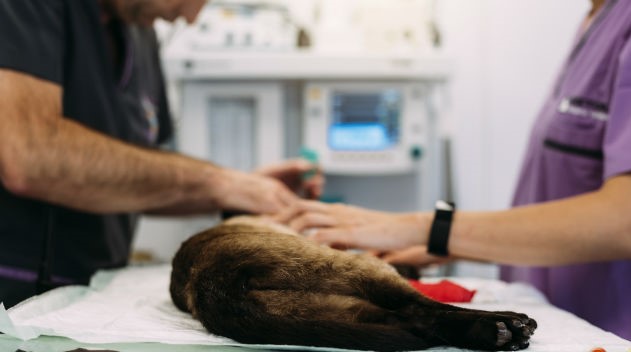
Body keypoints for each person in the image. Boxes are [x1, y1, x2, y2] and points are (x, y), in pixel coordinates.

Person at [277, 0, 631, 340]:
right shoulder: (597, 18)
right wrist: (451, 244)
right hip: (553, 313)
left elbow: (623, 221)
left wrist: (428, 227)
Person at [0, 0, 322, 308]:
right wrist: (218, 183)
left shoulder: (140, 32)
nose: (191, 16)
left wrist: (240, 191)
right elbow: (30, 156)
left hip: (91, 297)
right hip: (16, 301)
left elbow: (136, 177)